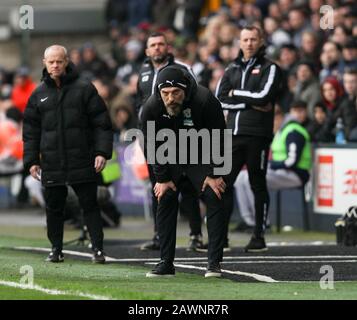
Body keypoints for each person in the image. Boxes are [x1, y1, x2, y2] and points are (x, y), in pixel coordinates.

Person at [23, 45, 113, 263]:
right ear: (44, 62)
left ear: (66, 62)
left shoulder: (84, 88)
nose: (55, 65)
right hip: (52, 162)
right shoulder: (38, 94)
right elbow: (30, 131)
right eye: (51, 61)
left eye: (59, 61)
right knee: (54, 208)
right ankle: (56, 249)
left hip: (82, 159)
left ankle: (98, 250)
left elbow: (102, 124)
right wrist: (32, 161)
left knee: (89, 205)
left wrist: (101, 152)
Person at [141, 66, 227, 277]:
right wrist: (162, 178)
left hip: (201, 155)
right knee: (165, 197)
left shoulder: (205, 100)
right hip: (170, 156)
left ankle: (214, 263)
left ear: (185, 90)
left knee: (214, 195)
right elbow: (150, 146)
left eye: (176, 93)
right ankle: (165, 263)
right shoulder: (151, 107)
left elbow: (220, 138)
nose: (171, 98)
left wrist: (215, 173)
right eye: (166, 94)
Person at [216, 25, 282, 252]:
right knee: (223, 185)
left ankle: (259, 236)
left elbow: (266, 96)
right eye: (245, 39)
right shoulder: (231, 68)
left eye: (254, 39)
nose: (249, 43)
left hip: (258, 136)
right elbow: (219, 100)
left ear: (261, 41)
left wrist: (236, 95)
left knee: (257, 184)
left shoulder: (271, 68)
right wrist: (249, 103)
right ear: (239, 42)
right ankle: (220, 237)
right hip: (232, 136)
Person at [137, 32, 204, 252]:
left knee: (187, 186)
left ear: (168, 47)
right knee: (158, 184)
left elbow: (196, 97)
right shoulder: (144, 72)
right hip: (153, 137)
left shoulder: (184, 68)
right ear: (147, 50)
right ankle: (160, 234)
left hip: (181, 135)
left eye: (160, 44)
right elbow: (141, 104)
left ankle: (196, 234)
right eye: (152, 45)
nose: (157, 48)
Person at [235, 104, 312, 231]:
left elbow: (291, 161)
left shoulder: (293, 131)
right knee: (240, 178)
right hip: (281, 171)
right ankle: (249, 220)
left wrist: (270, 165)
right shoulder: (281, 130)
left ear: (278, 117)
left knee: (252, 178)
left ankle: (263, 221)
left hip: (296, 174)